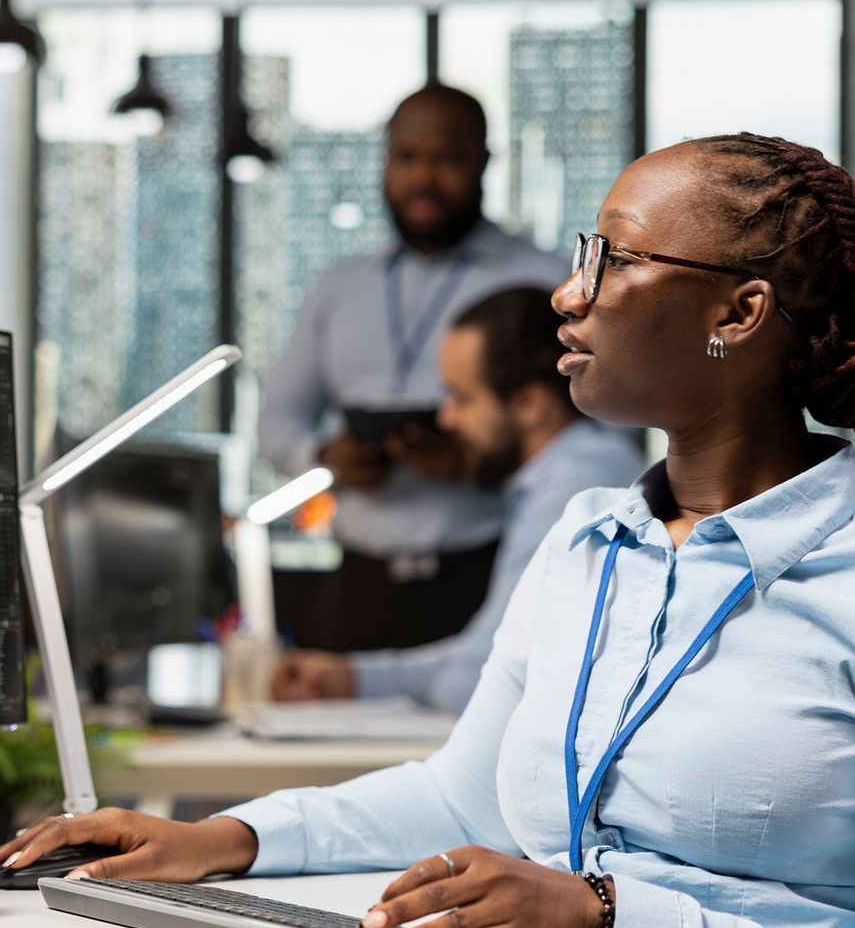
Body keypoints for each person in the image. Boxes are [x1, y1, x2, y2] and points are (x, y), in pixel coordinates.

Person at [0, 133, 855, 928]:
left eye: (613, 258)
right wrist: (225, 839)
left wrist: (607, 916)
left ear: (739, 313)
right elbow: (465, 794)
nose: (566, 290)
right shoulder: (591, 540)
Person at [258, 84, 563, 654]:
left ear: (484, 163)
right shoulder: (340, 287)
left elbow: (589, 438)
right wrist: (325, 459)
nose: (424, 177)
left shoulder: (541, 281)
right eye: (406, 157)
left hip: (485, 579)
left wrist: (480, 463)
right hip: (355, 586)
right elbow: (277, 418)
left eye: (446, 158)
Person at [269, 287, 643, 713]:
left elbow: (480, 678)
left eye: (462, 398)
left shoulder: (581, 482)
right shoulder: (561, 473)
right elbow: (481, 658)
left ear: (528, 404)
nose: (446, 419)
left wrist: (363, 681)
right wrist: (352, 678)